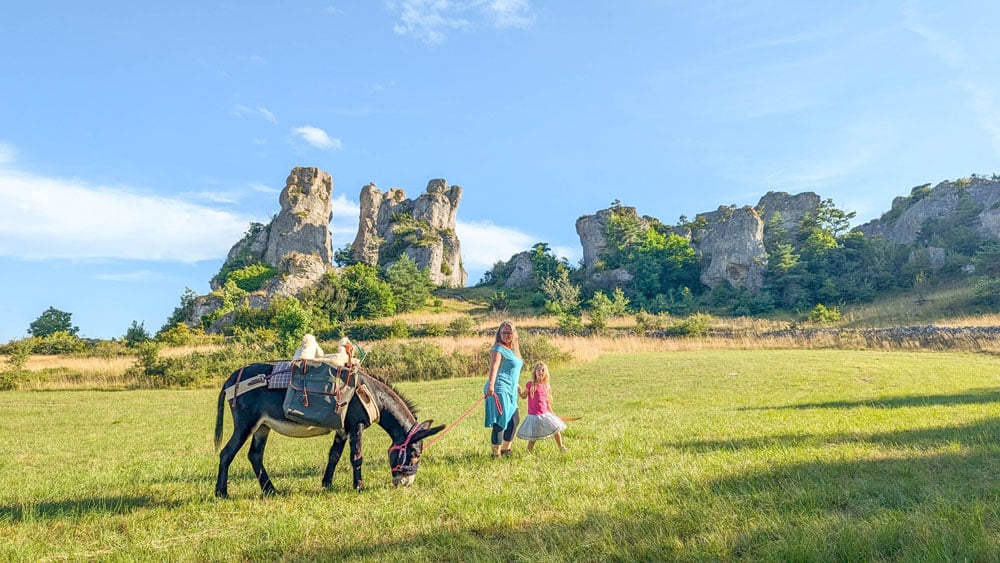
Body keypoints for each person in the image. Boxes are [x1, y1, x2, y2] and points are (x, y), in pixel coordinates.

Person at [484, 321, 523, 457]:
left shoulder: (512, 351)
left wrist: (516, 384)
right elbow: (494, 367)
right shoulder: (498, 348)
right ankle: (496, 454)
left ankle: (506, 450)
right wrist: (491, 386)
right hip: (499, 388)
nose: (506, 335)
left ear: (514, 334)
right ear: (499, 334)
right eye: (504, 332)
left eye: (509, 332)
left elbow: (510, 370)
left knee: (514, 420)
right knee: (501, 421)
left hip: (510, 389)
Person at [516, 361, 567, 452]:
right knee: (533, 436)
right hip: (534, 415)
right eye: (538, 370)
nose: (541, 372)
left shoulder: (546, 386)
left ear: (546, 373)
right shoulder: (530, 385)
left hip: (545, 414)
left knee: (556, 429)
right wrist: (519, 389)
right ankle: (528, 451)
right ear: (535, 372)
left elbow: (547, 402)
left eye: (543, 370)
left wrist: (552, 414)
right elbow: (523, 396)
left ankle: (561, 446)